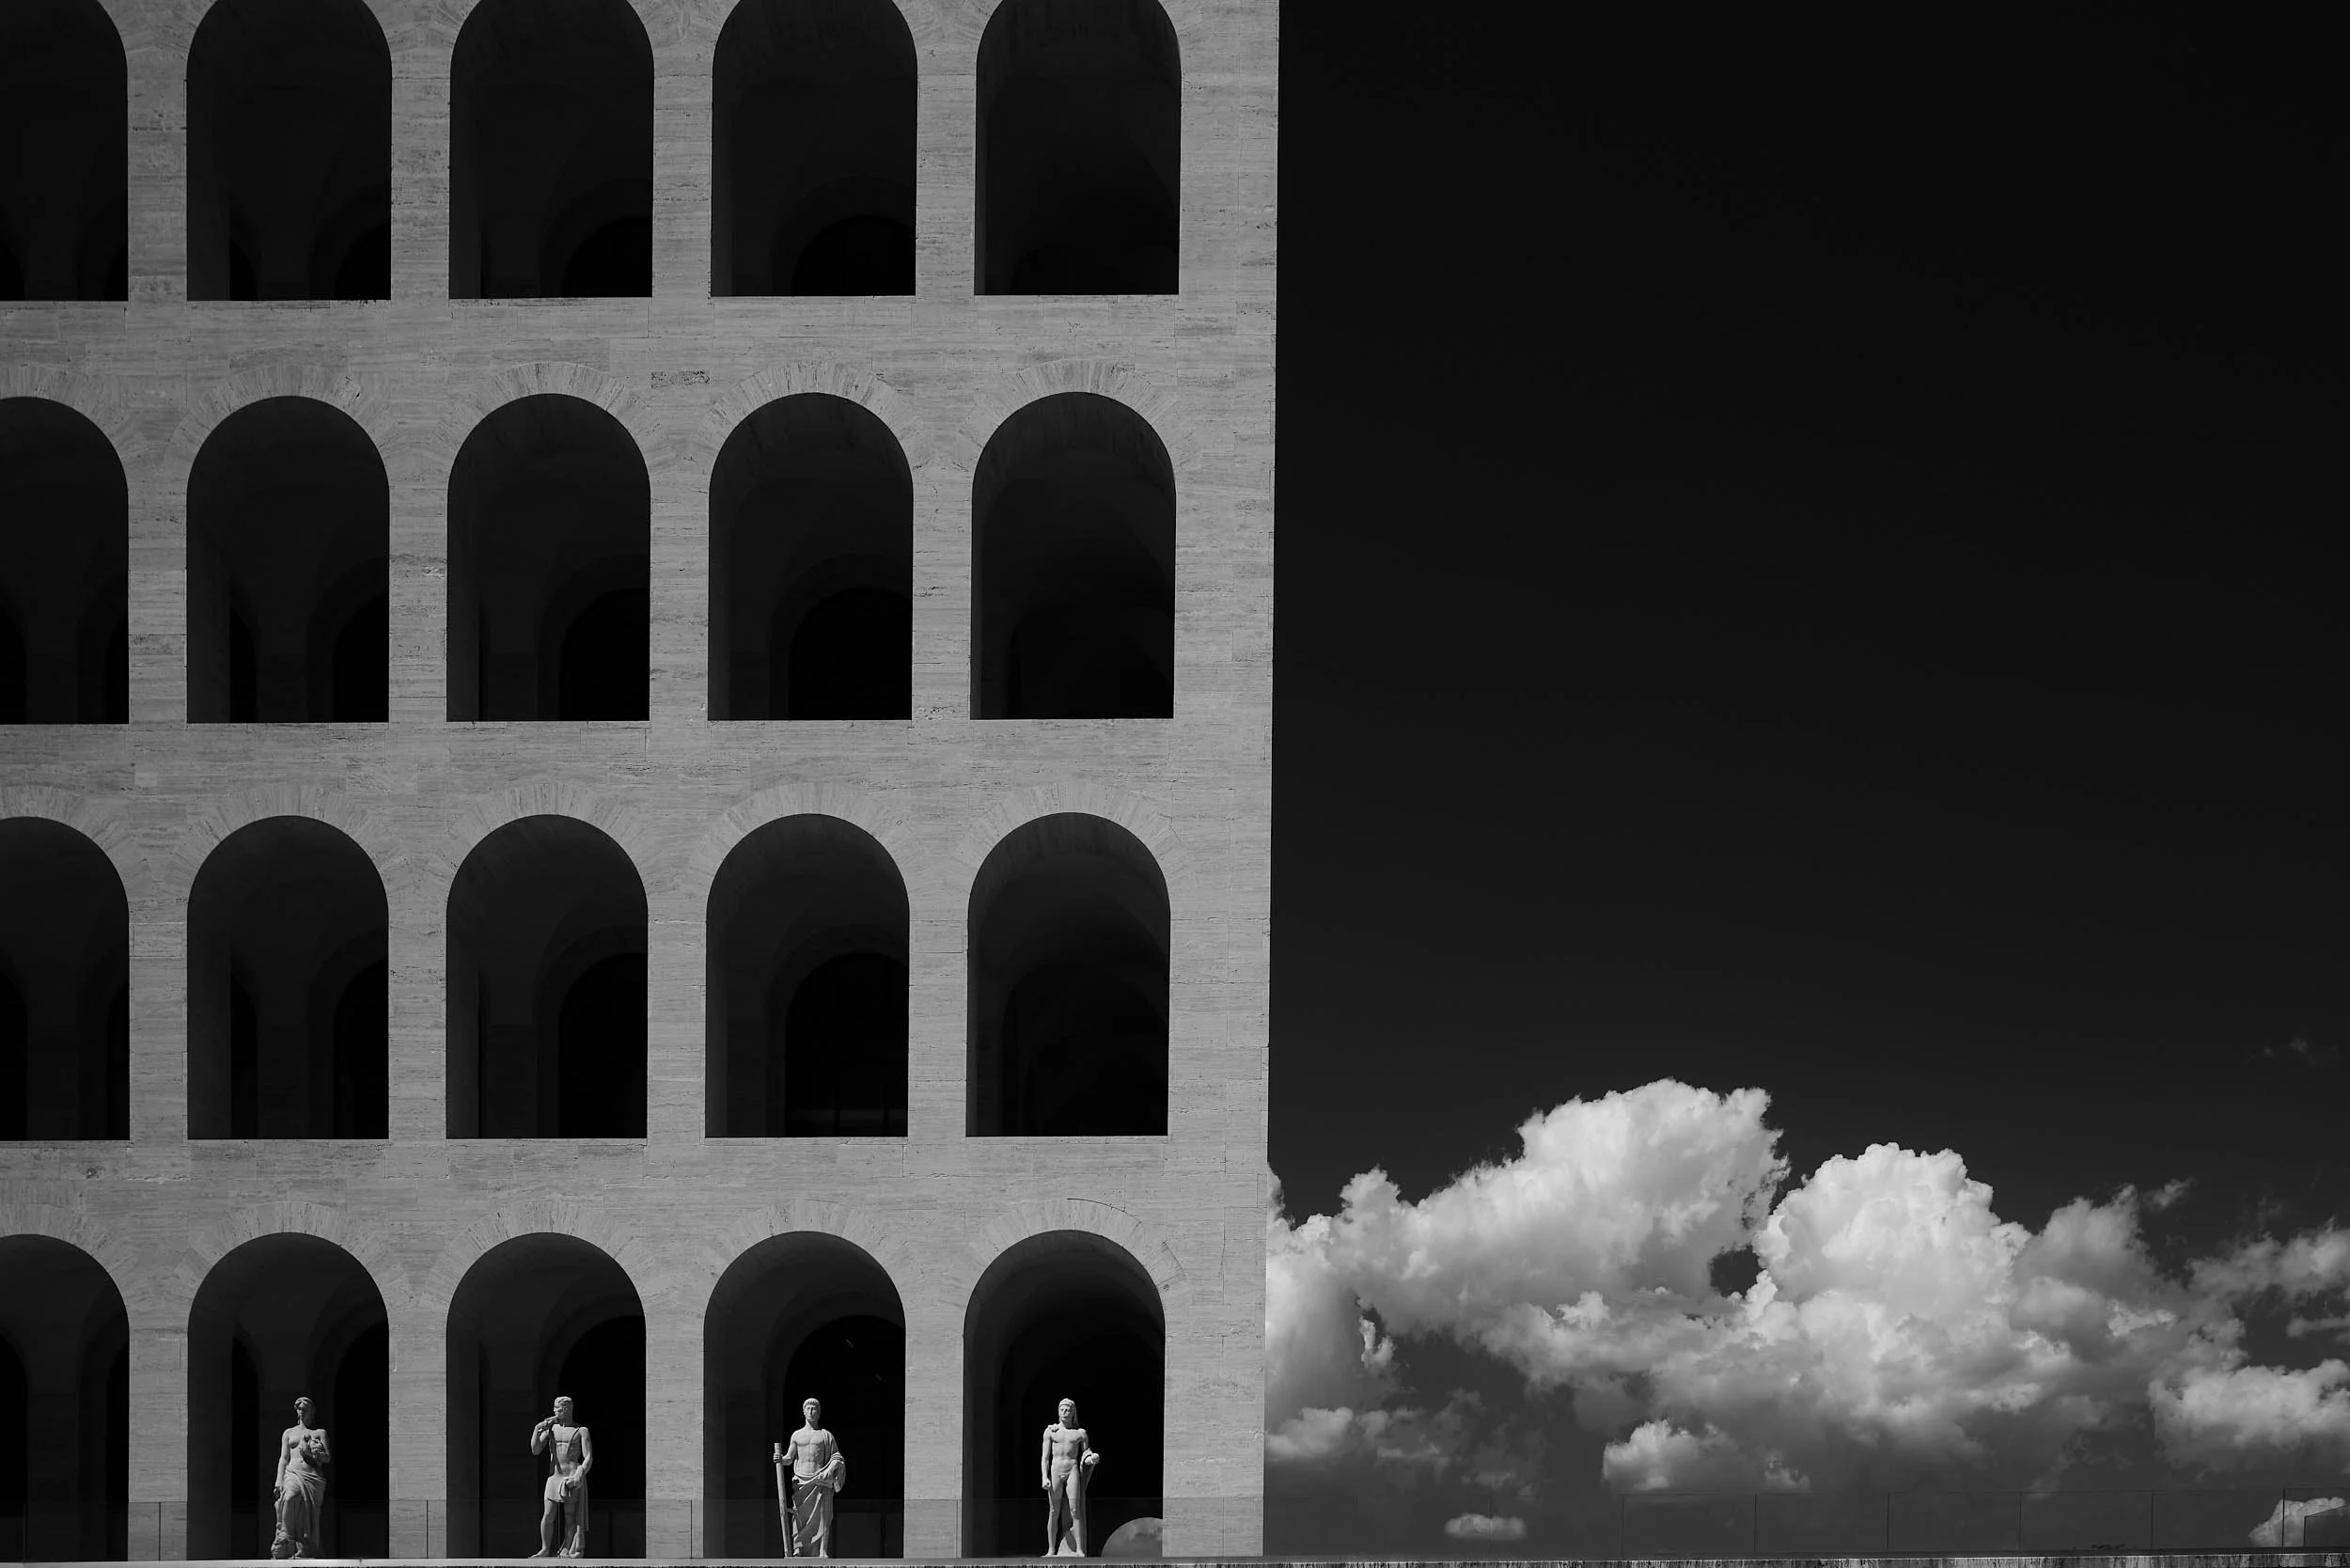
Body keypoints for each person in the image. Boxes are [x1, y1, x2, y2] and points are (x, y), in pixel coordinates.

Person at [779, 1397, 846, 1557]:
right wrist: (780, 1459)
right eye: (808, 1408)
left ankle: (822, 1550)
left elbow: (837, 1456)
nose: (811, 1411)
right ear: (803, 1412)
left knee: (823, 1516)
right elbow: (789, 1457)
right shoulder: (797, 1435)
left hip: (820, 1480)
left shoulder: (825, 1435)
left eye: (814, 1408)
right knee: (799, 1515)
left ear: (819, 1412)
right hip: (801, 1481)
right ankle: (798, 1548)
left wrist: (831, 1468)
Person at [529, 1395, 594, 1557]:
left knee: (570, 1516)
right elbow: (535, 1450)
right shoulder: (551, 1429)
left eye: (557, 1409)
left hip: (570, 1476)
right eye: (554, 1408)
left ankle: (567, 1548)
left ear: (566, 1410)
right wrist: (538, 1429)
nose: (554, 1412)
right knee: (548, 1514)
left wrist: (580, 1472)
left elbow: (588, 1457)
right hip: (554, 1476)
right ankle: (545, 1549)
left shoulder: (581, 1431)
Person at [269, 1396, 331, 1559]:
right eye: (299, 1409)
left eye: (305, 1409)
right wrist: (279, 1480)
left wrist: (316, 1451)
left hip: (312, 1477)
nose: (302, 1412)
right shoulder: (288, 1433)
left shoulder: (319, 1433)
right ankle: (285, 1539)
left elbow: (327, 1458)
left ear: (311, 1412)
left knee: (311, 1513)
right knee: (289, 1497)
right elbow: (283, 1458)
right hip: (293, 1472)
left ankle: (306, 1547)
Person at [1040, 1398, 1100, 1557]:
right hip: (1055, 1471)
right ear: (1058, 1411)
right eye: (1062, 1409)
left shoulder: (1080, 1433)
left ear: (1073, 1413)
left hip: (1072, 1469)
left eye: (1068, 1410)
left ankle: (1079, 1549)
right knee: (1054, 1511)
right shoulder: (1051, 1431)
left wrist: (1091, 1459)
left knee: (1075, 1510)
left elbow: (1085, 1454)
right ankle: (1051, 1549)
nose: (1065, 1412)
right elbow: (1045, 1458)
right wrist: (1044, 1477)